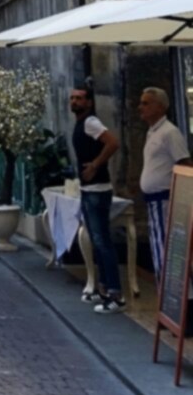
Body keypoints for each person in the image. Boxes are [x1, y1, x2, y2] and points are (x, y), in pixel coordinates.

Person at [70, 85, 124, 314]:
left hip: (97, 189)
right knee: (97, 240)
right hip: (89, 188)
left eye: (79, 98)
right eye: (72, 98)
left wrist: (95, 165)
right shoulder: (81, 123)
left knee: (102, 242)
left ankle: (115, 295)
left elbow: (112, 142)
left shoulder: (91, 122)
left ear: (89, 102)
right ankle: (103, 289)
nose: (75, 101)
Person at [139, 87, 191, 283]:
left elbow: (184, 163)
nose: (140, 107)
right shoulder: (152, 132)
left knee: (165, 247)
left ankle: (174, 295)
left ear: (160, 107)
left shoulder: (170, 132)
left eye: (146, 103)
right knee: (158, 245)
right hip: (154, 201)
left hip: (165, 200)